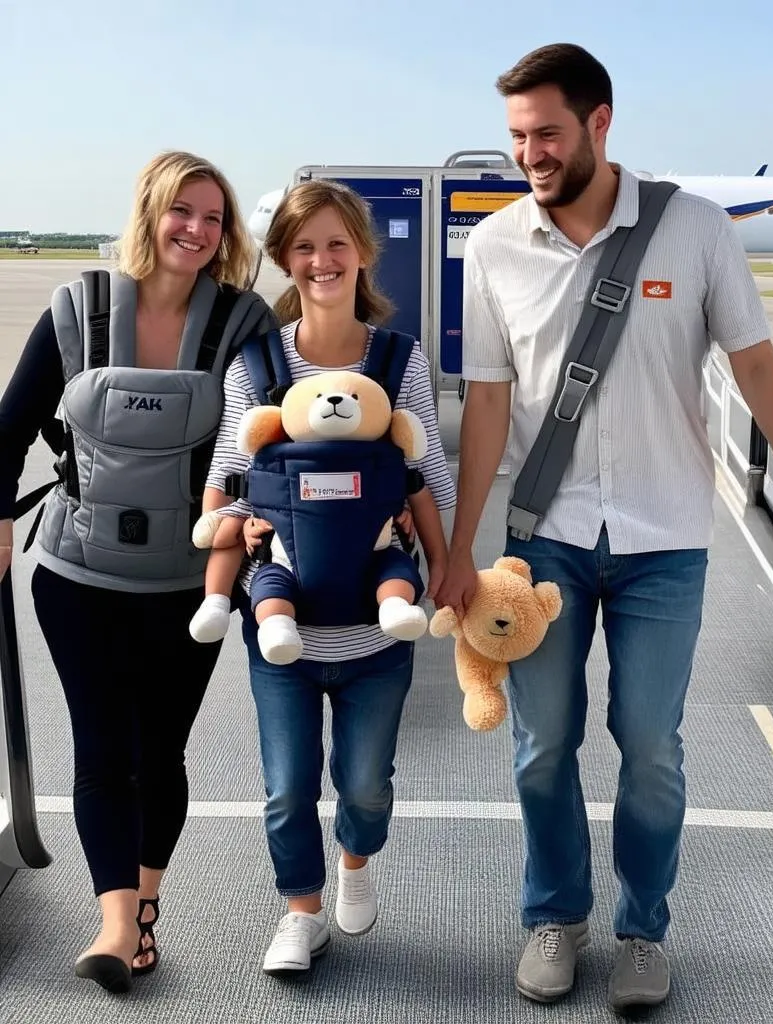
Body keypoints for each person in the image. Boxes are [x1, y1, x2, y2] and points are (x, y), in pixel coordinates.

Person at [434, 43, 773, 1014]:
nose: (530, 152)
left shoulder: (691, 228)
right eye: (517, 136)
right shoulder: (492, 250)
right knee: (540, 743)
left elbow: (757, 367)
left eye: (548, 134)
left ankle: (642, 929)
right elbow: (487, 404)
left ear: (600, 123)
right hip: (544, 537)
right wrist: (457, 546)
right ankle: (554, 917)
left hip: (663, 539)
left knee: (648, 742)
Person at [0, 150, 276, 993]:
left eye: (214, 218)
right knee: (100, 750)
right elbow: (10, 424)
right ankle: (116, 926)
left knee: (161, 754)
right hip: (78, 579)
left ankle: (144, 908)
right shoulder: (76, 308)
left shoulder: (244, 322)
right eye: (181, 211)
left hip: (190, 585)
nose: (196, 230)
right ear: (150, 212)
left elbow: (274, 440)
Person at [202, 178, 455, 975]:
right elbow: (229, 469)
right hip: (282, 625)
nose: (322, 261)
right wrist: (226, 523)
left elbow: (428, 472)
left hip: (375, 632)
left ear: (363, 254)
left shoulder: (398, 359)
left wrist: (449, 565)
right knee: (285, 788)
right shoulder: (258, 362)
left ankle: (355, 859)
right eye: (304, 246)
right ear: (284, 258)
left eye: (337, 244)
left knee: (366, 786)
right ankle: (300, 912)